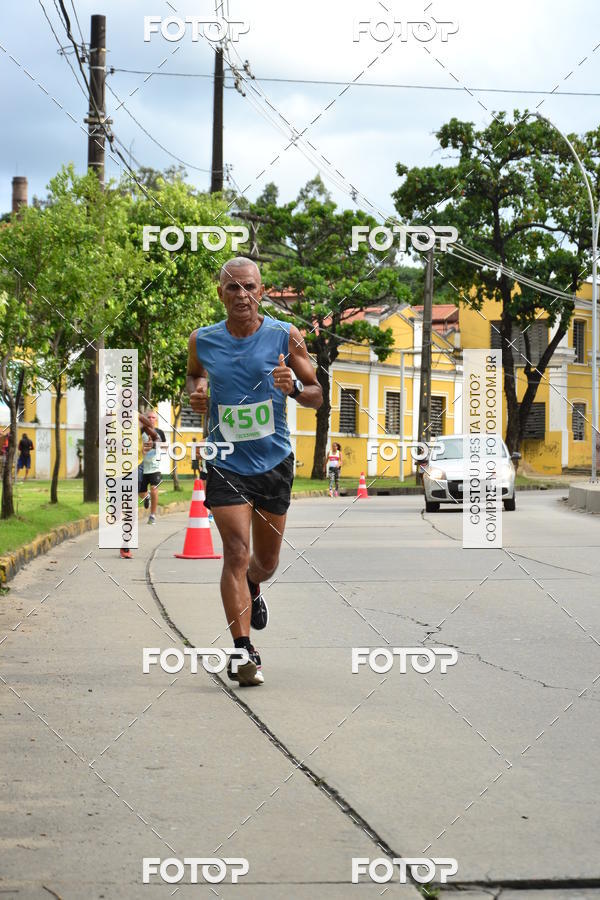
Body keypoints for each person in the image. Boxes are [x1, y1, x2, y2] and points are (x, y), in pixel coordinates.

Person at [187, 257, 323, 686]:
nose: (241, 295)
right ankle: (243, 651)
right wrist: (197, 392)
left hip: (273, 462)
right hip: (225, 460)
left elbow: (317, 393)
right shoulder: (202, 340)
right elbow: (193, 379)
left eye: (249, 287)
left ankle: (254, 586)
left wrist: (295, 388)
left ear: (261, 291)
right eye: (232, 288)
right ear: (221, 294)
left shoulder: (285, 336)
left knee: (264, 562)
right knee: (235, 551)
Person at [120, 411, 162, 560]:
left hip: (134, 467)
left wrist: (152, 444)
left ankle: (126, 544)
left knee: (130, 505)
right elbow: (99, 441)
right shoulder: (110, 418)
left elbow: (156, 437)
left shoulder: (138, 421)